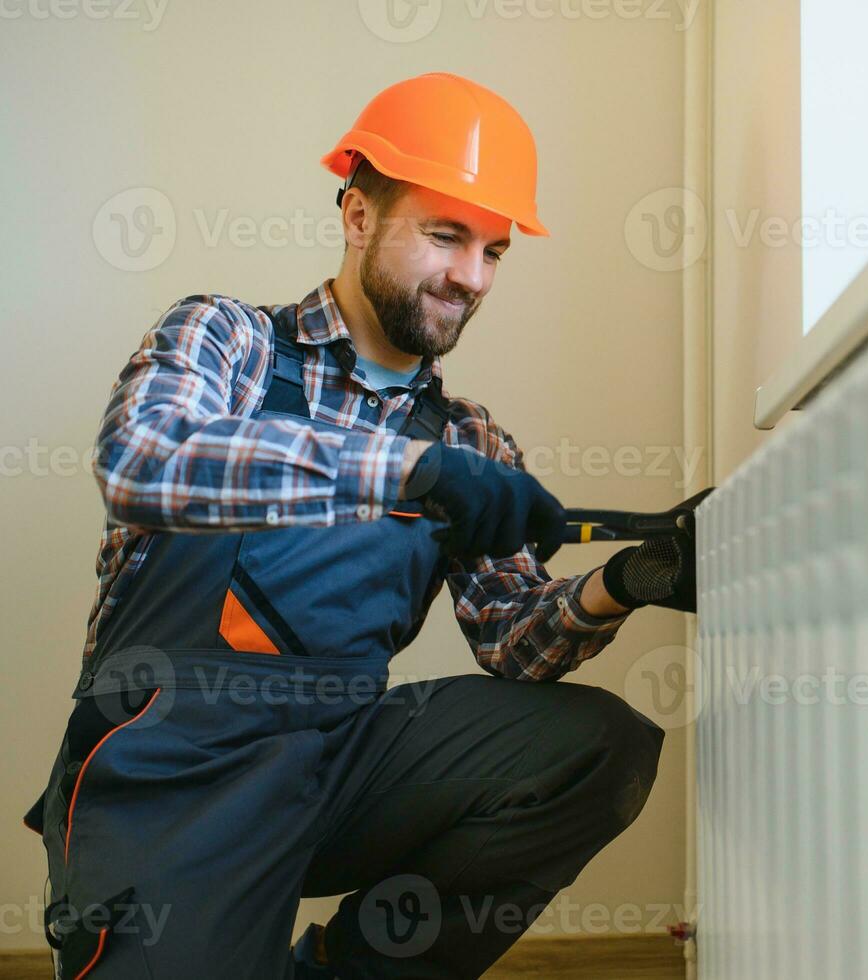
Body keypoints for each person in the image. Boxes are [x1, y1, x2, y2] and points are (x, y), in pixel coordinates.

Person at [22, 72, 697, 979]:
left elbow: (511, 643)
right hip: (167, 777)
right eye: (445, 235)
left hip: (337, 766)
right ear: (356, 215)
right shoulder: (228, 340)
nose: (471, 275)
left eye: (495, 250)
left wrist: (623, 584)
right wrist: (406, 472)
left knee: (594, 749)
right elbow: (143, 462)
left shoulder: (468, 435)